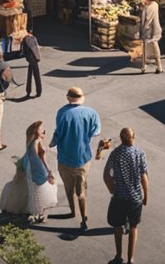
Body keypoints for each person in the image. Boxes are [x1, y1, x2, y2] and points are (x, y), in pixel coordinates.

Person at [50, 87, 103, 232]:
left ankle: (72, 211)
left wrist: (52, 143)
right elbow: (96, 132)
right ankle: (83, 218)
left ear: (68, 98)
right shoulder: (91, 113)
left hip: (64, 158)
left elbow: (58, 133)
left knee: (68, 188)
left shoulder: (62, 112)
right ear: (82, 98)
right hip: (82, 159)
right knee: (81, 192)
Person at [103, 127, 150, 264]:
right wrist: (146, 195)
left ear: (121, 138)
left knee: (118, 227)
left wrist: (113, 189)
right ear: (133, 137)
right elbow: (144, 176)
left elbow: (106, 175)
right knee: (133, 227)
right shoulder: (139, 153)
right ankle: (131, 259)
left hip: (119, 197)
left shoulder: (115, 154)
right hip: (135, 198)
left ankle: (118, 256)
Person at [23, 120, 57, 224]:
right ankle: (38, 214)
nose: (44, 131)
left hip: (33, 168)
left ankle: (37, 214)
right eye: (42, 129)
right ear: (36, 131)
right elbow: (39, 159)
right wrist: (47, 172)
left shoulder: (33, 141)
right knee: (41, 190)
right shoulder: (36, 142)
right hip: (37, 169)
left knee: (35, 192)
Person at [139, 0, 163, 74]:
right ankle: (159, 66)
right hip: (156, 29)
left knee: (144, 48)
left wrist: (141, 31)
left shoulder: (145, 7)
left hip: (147, 30)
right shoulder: (156, 4)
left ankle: (143, 66)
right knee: (155, 45)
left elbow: (143, 21)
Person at [20, 29, 43, 99]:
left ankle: (28, 91)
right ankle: (38, 91)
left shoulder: (24, 39)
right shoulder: (32, 38)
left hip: (30, 58)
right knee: (37, 75)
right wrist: (38, 57)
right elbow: (36, 48)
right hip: (35, 58)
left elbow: (23, 50)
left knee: (29, 75)